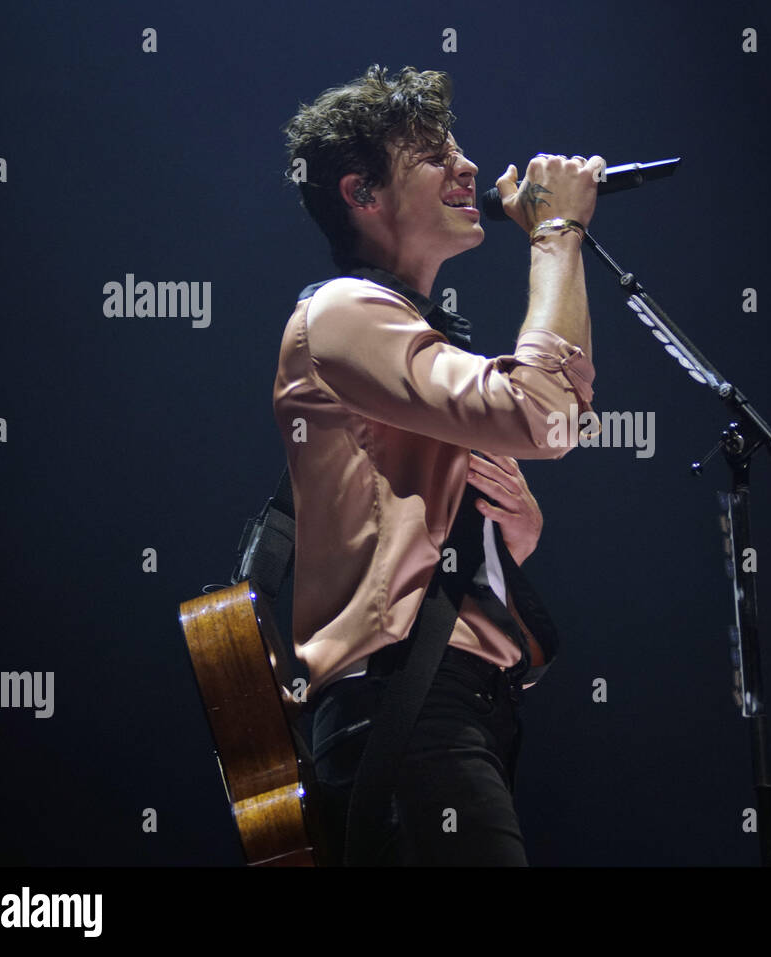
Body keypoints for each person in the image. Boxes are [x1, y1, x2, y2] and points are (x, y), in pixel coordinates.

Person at [273, 64, 603, 865]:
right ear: (362, 194)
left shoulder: (412, 331)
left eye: (459, 148)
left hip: (450, 704)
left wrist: (508, 537)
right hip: (408, 705)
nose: (468, 168)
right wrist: (559, 235)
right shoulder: (345, 312)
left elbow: (404, 537)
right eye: (431, 155)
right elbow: (543, 411)